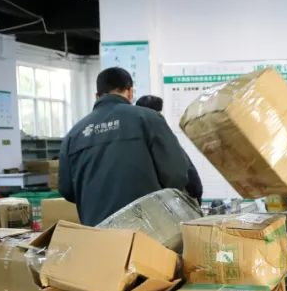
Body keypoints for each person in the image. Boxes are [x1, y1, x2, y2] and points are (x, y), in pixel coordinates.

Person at [59, 67, 202, 225]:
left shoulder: (74, 134)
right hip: (148, 228)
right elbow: (177, 174)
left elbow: (67, 190)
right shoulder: (149, 119)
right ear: (129, 92)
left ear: (97, 96)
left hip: (96, 231)